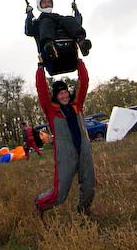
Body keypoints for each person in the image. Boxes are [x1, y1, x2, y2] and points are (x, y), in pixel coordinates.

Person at [34, 59, 95, 215]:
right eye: (60, 93)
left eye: (65, 92)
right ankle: (40, 204)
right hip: (65, 155)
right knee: (60, 194)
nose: (64, 95)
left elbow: (84, 81)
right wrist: (40, 67)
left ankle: (84, 210)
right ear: (56, 96)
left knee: (89, 185)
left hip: (84, 151)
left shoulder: (77, 104)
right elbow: (42, 90)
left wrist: (78, 61)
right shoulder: (51, 109)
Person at [25, 0, 92, 64]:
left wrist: (76, 11)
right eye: (44, 3)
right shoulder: (39, 22)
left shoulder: (59, 18)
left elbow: (77, 23)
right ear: (39, 6)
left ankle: (81, 41)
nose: (47, 4)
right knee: (46, 21)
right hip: (50, 58)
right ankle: (49, 47)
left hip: (70, 53)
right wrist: (29, 15)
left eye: (49, 2)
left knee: (69, 19)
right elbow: (29, 31)